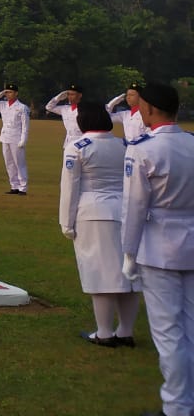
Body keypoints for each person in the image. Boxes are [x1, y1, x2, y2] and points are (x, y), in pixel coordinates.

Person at [121, 82, 194, 416]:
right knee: (190, 327)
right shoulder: (191, 144)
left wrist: (128, 253)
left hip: (159, 246)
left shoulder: (142, 148)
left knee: (168, 332)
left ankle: (177, 406)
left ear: (148, 109)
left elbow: (135, 208)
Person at [58, 100, 140, 348]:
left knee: (100, 273)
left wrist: (66, 223)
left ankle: (104, 332)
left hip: (93, 213)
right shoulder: (126, 145)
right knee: (128, 274)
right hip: (125, 212)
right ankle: (125, 330)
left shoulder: (78, 147)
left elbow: (69, 188)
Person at [0, 83, 30, 195]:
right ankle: (14, 186)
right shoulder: (2, 104)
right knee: (9, 163)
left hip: (17, 138)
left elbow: (25, 126)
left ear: (16, 93)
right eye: (7, 92)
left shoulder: (22, 107)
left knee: (19, 163)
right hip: (5, 137)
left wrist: (23, 140)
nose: (8, 94)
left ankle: (23, 187)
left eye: (11, 92)